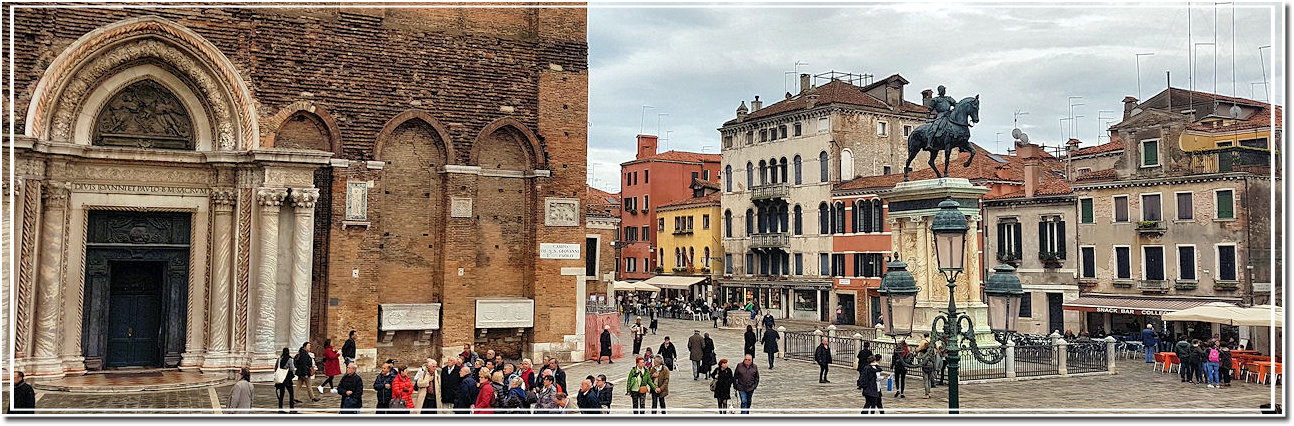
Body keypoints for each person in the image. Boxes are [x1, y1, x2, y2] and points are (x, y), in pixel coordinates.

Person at [274, 347, 296, 413]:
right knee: (291, 393)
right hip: (287, 378)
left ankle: (280, 409)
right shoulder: (289, 359)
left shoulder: (279, 359)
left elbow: (275, 367)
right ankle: (291, 409)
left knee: (281, 394)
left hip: (281, 378)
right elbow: (291, 368)